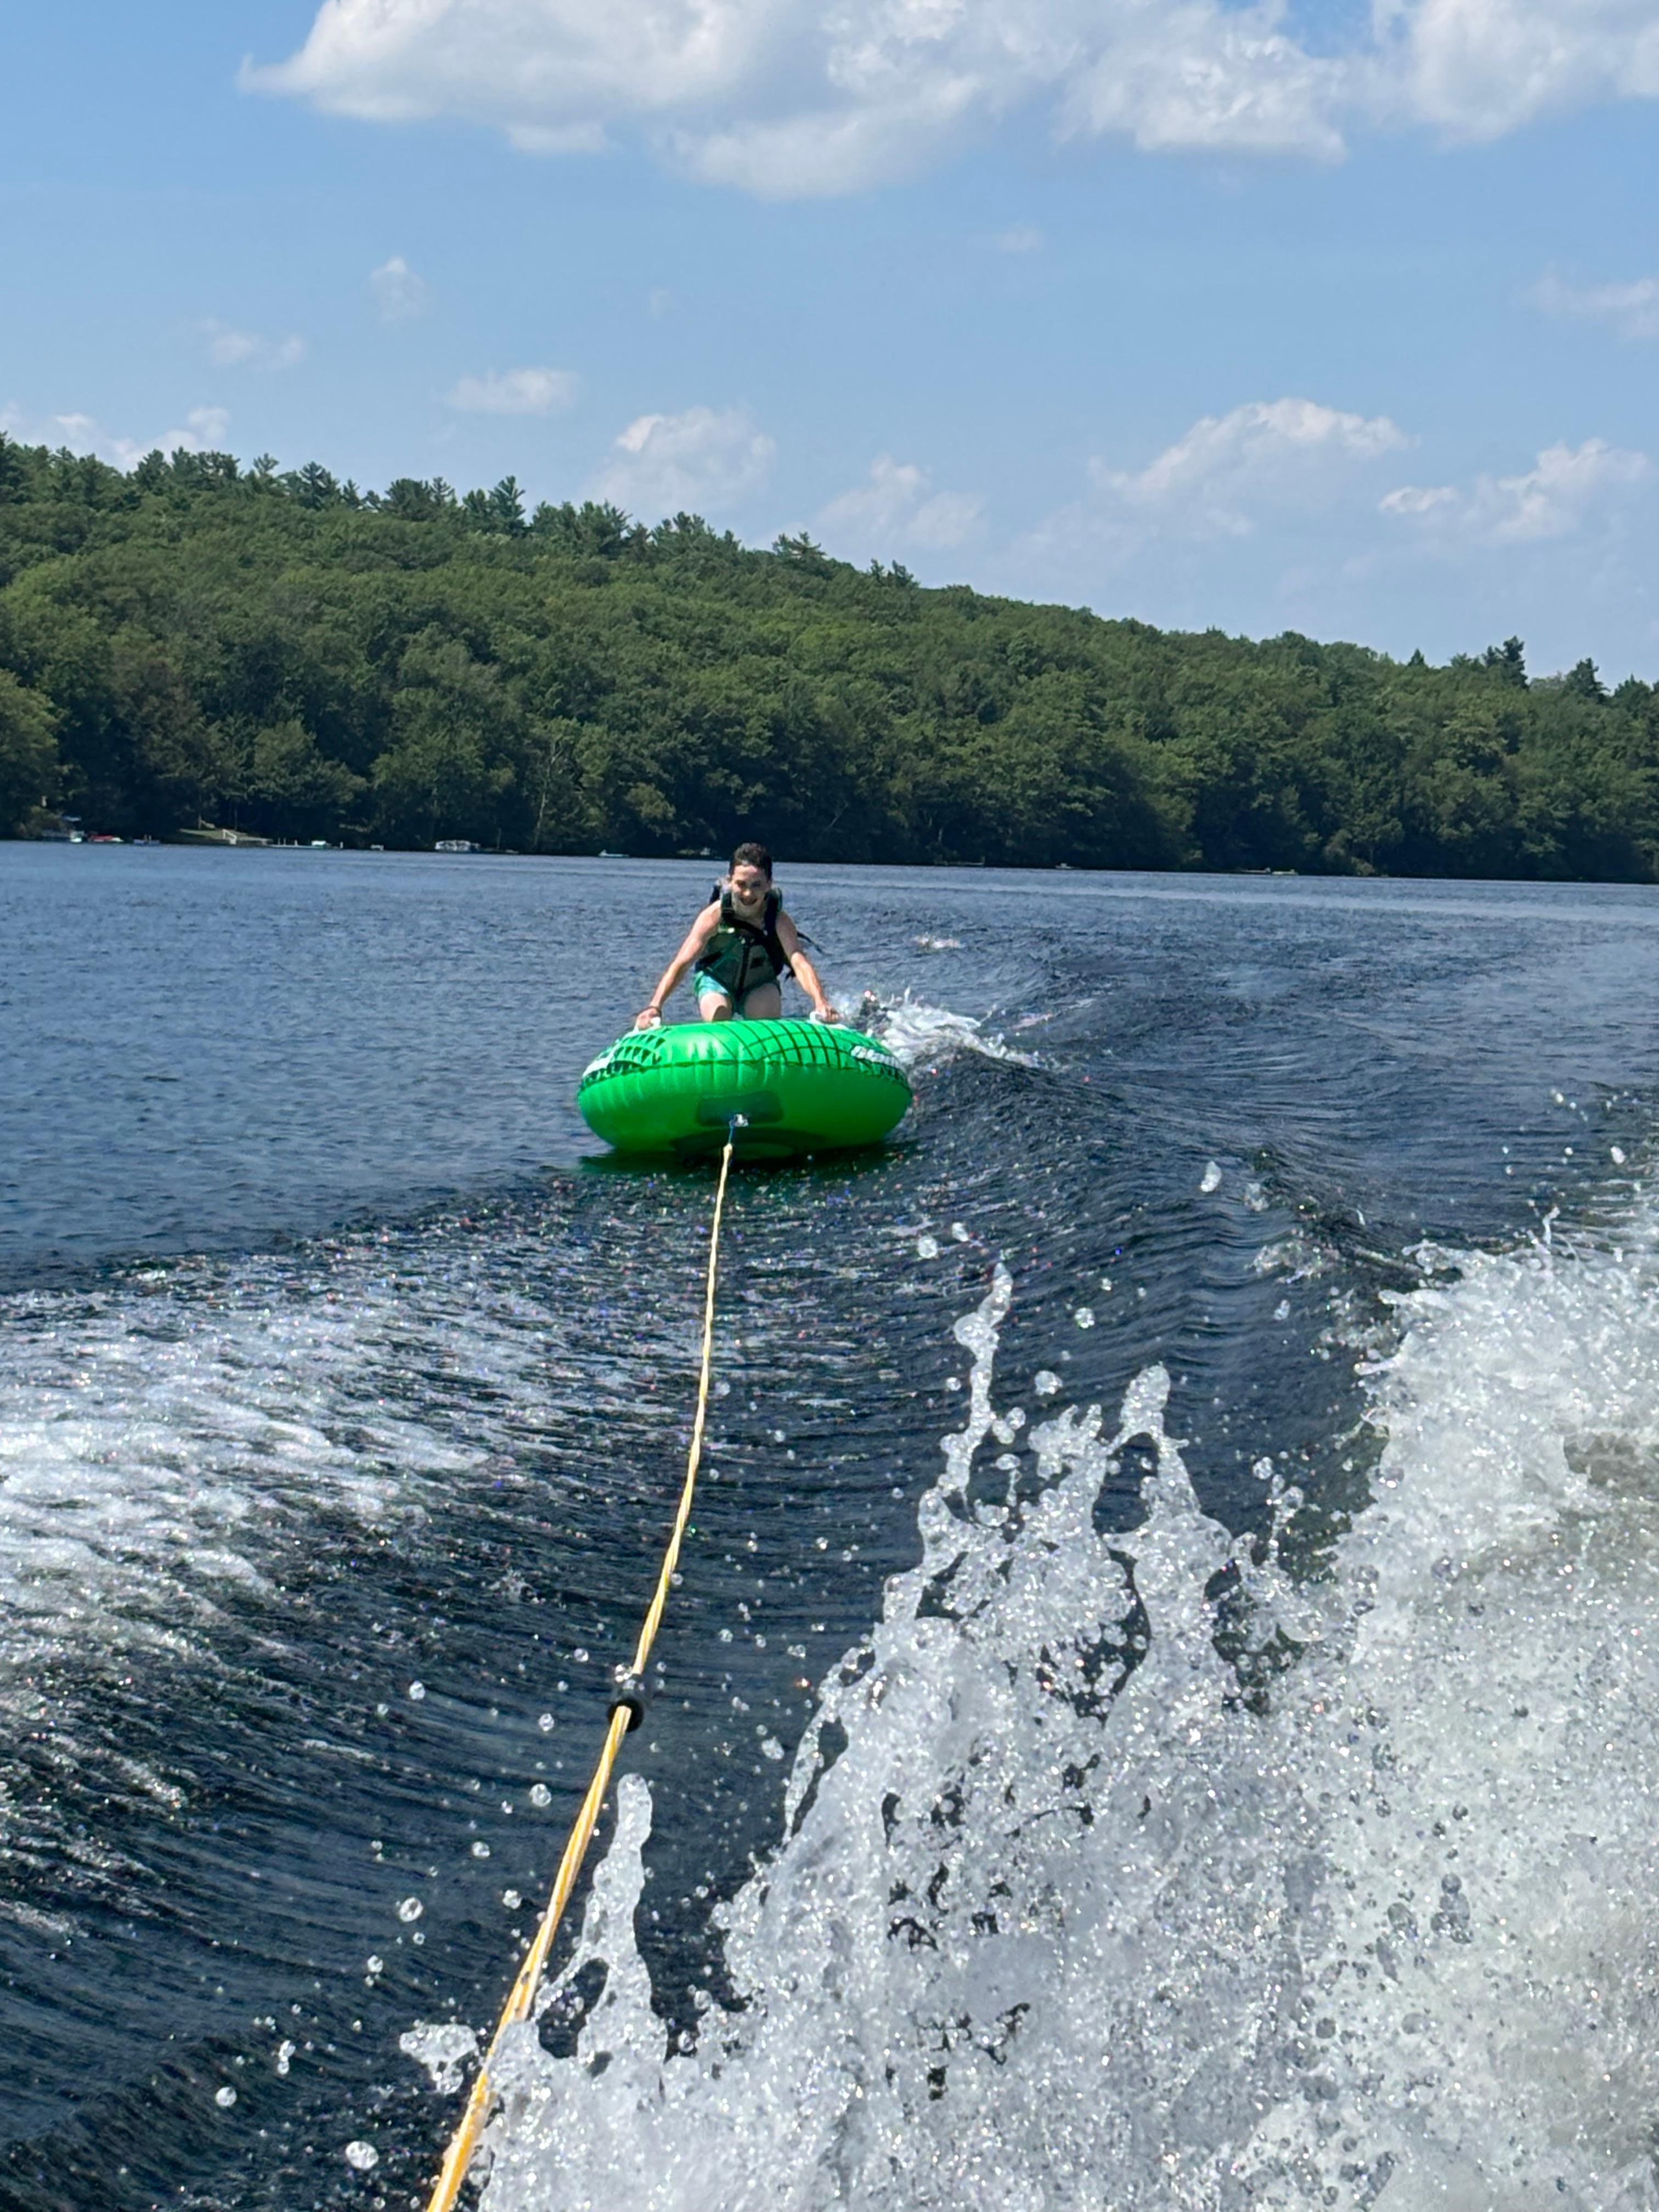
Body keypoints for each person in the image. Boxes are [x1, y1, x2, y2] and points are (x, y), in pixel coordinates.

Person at [635, 843, 834, 1028]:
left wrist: (820, 1002)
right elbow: (682, 962)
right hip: (716, 980)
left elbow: (798, 961)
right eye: (742, 884)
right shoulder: (714, 917)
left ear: (769, 884)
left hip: (759, 983)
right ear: (730, 882)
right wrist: (655, 1006)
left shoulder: (778, 920)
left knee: (764, 1024)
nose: (748, 894)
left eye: (757, 885)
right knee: (719, 1015)